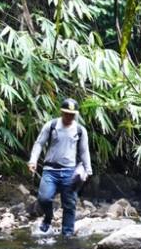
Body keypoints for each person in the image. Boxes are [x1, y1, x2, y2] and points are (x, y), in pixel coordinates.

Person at [28, 98, 93, 237]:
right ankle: (48, 217)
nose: (69, 116)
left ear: (75, 114)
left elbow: (84, 151)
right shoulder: (51, 125)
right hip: (50, 171)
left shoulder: (80, 130)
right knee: (44, 198)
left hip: (70, 172)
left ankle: (67, 236)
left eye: (72, 114)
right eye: (66, 113)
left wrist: (88, 170)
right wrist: (33, 160)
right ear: (61, 112)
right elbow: (39, 143)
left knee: (69, 205)